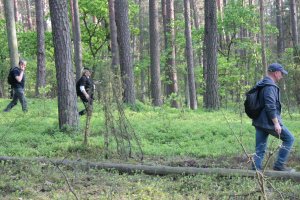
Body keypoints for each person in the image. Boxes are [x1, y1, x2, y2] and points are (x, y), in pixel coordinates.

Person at [252, 63, 295, 172]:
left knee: (260, 148)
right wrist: (276, 123)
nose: (282, 76)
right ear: (276, 73)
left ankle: (255, 171)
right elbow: (270, 106)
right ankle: (279, 166)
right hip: (268, 122)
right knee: (289, 139)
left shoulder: (261, 84)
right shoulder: (270, 87)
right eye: (281, 73)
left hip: (259, 121)